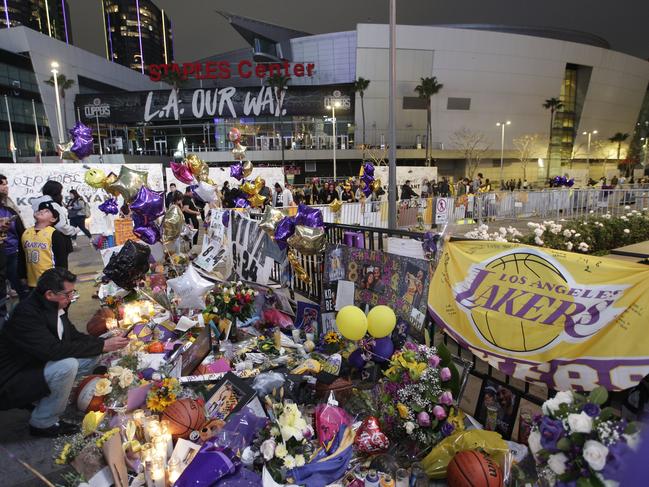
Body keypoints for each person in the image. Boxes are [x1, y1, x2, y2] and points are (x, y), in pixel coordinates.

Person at [0, 268, 129, 437]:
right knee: (68, 365)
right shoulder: (27, 314)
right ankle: (42, 423)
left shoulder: (54, 307)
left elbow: (73, 337)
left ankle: (46, 399)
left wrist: (103, 342)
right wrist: (102, 345)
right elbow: (52, 351)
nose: (71, 298)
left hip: (35, 366)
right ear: (49, 294)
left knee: (91, 354)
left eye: (72, 293)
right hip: (11, 379)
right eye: (67, 294)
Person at [20, 202, 69, 289]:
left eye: (46, 211)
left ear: (53, 219)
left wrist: (61, 279)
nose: (41, 211)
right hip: (32, 282)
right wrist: (22, 275)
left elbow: (62, 260)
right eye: (40, 209)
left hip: (50, 282)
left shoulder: (54, 234)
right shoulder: (26, 233)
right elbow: (21, 256)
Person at [31, 181, 76, 258]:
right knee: (60, 265)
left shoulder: (37, 203)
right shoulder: (53, 205)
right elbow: (60, 225)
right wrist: (72, 230)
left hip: (42, 237)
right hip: (57, 238)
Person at [0, 175, 27, 300]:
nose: (5, 187)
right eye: (2, 184)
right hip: (3, 251)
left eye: (6, 184)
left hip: (12, 250)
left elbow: (18, 225)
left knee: (19, 283)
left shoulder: (8, 203)